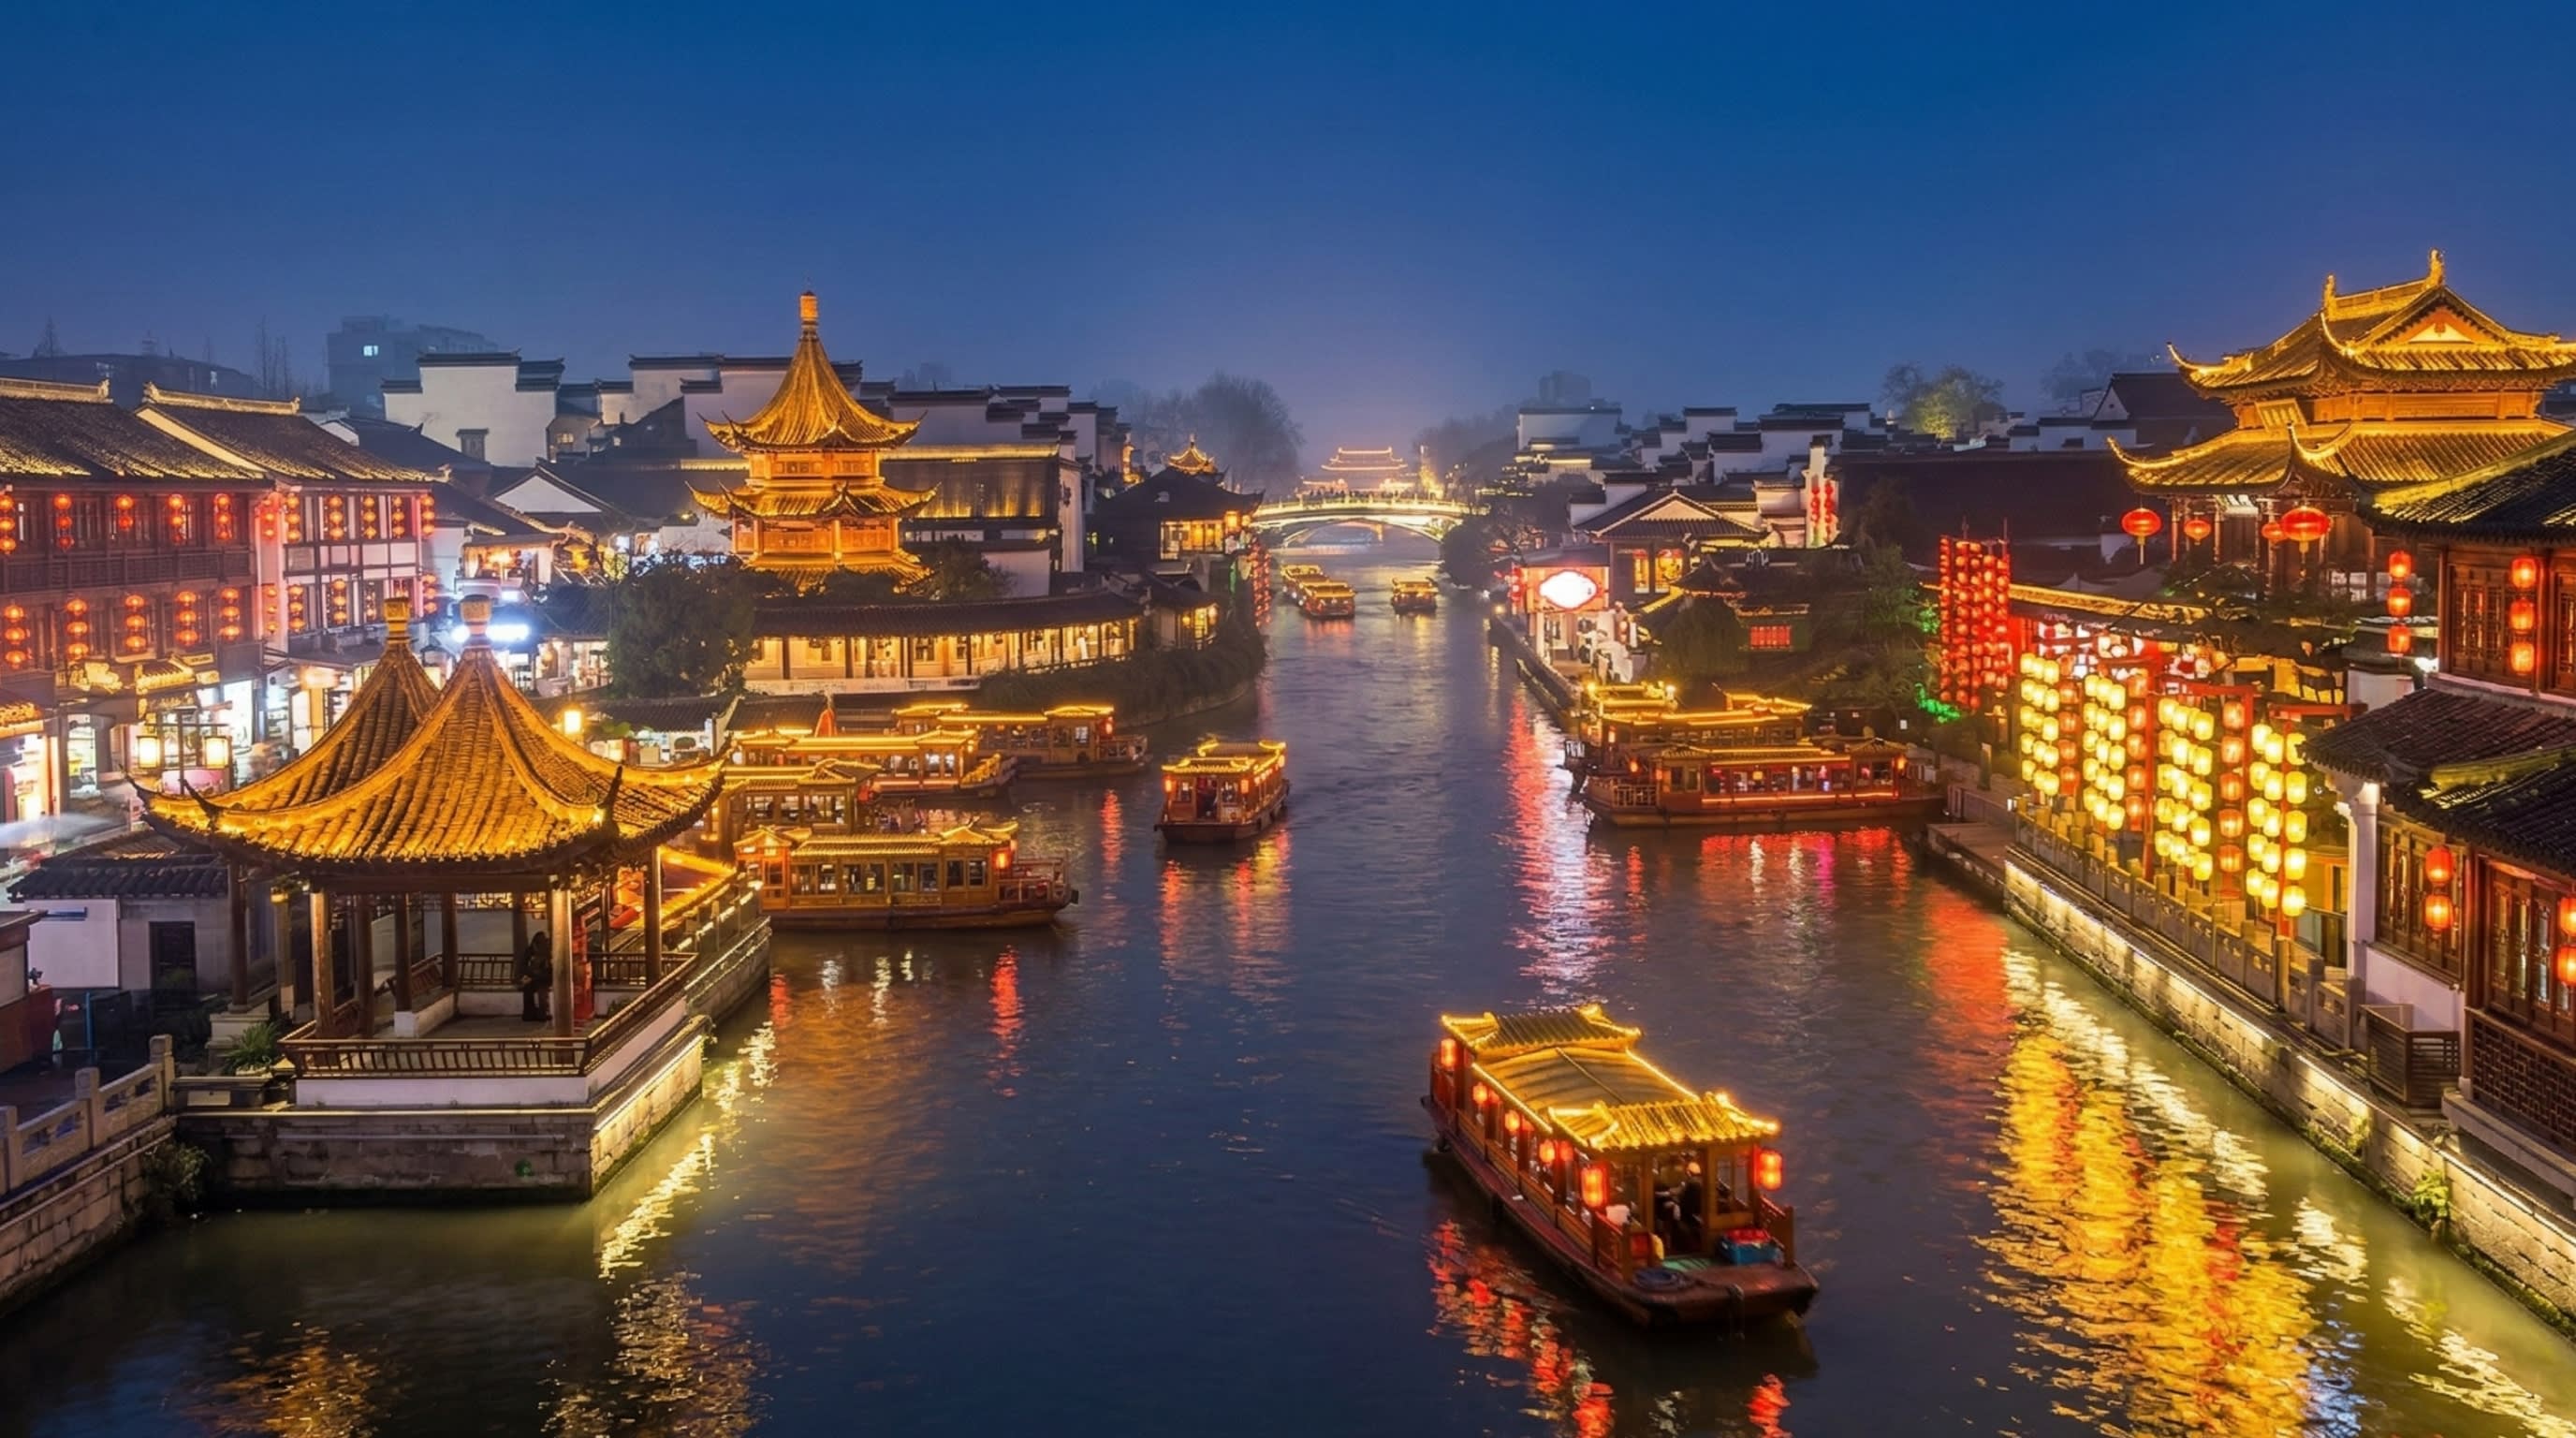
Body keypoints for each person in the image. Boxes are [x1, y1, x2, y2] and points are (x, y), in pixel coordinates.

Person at [519, 930, 552, 1021]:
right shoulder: (532, 950)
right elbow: (524, 965)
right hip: (535, 977)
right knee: (528, 990)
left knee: (541, 992)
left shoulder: (545, 950)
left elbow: (549, 968)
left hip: (542, 978)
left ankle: (540, 1014)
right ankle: (531, 1014)